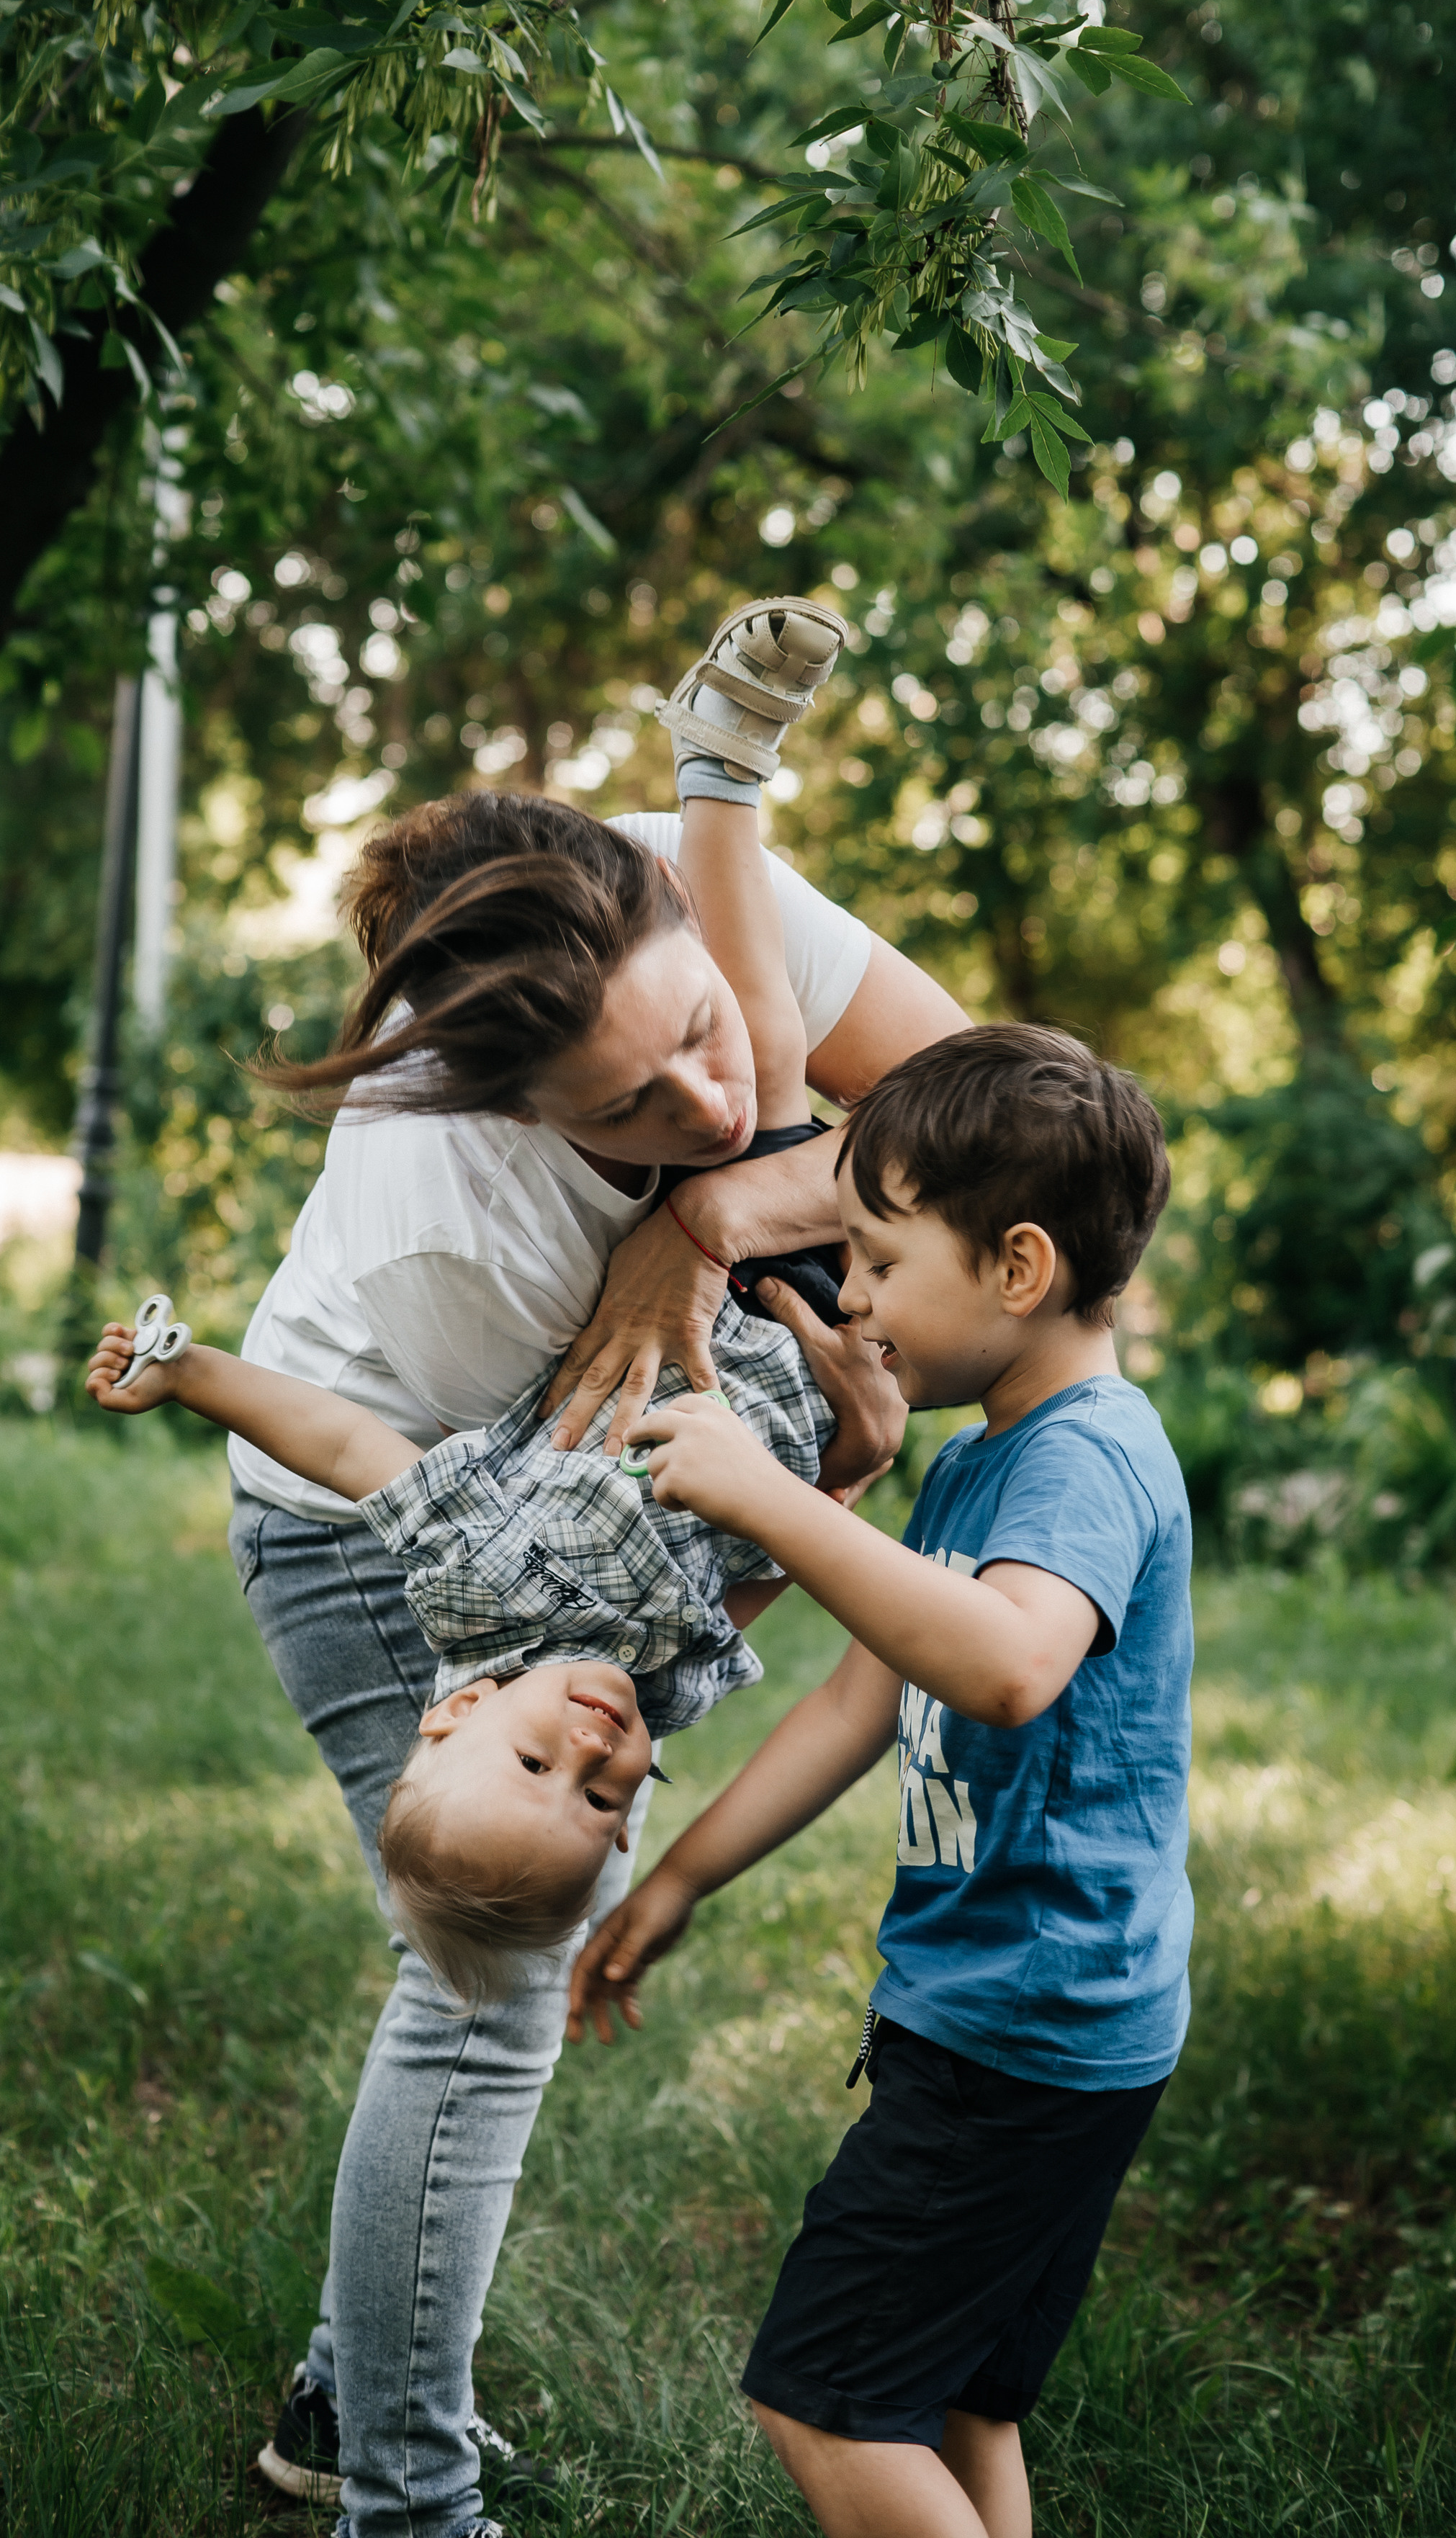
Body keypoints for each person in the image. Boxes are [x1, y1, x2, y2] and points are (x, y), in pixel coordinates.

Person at [217, 595, 971, 2537]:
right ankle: (401, 2491)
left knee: (495, 1979)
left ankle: (347, 2382)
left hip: (609, 1492)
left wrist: (712, 1209)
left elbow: (1002, 1123)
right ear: (505, 1111)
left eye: (706, 1035)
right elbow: (613, 1595)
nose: (703, 1097)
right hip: (392, 1524)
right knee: (488, 1976)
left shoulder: (687, 928)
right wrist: (821, 1500)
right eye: (629, 1115)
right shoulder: (457, 1247)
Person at [570, 1023, 1192, 2538]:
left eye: (879, 1260)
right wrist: (684, 1874)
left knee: (828, 2394)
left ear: (1019, 1269)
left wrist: (779, 1502)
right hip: (1032, 2021)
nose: (851, 1298)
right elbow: (866, 1695)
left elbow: (1007, 1665)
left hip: (1019, 2036)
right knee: (959, 2393)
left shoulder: (1083, 1462)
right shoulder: (988, 1459)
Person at [82, 1271, 835, 2000]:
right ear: (621, 1837)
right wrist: (837, 1490)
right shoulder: (667, 1694)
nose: (591, 1753)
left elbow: (345, 1446)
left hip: (718, 1308)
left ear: (461, 1709)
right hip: (828, 1369)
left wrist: (189, 1375)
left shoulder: (478, 1580)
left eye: (535, 1763)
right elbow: (766, 1569)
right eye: (601, 1802)